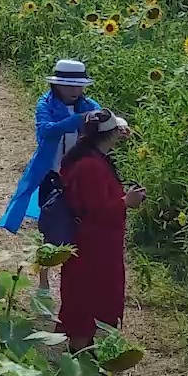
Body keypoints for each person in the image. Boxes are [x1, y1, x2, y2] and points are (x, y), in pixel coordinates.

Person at [0, 59, 108, 288]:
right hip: (52, 174)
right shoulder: (45, 105)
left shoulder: (90, 105)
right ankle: (44, 280)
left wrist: (117, 129)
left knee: (82, 227)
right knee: (48, 227)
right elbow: (46, 131)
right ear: (57, 86)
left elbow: (105, 129)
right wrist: (78, 121)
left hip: (80, 177)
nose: (75, 90)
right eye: (69, 85)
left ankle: (77, 277)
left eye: (78, 86)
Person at [57, 114, 142, 353]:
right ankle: (79, 354)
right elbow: (96, 210)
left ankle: (85, 350)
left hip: (94, 243)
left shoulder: (88, 157)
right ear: (110, 134)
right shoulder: (91, 166)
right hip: (94, 246)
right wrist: (127, 202)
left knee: (86, 296)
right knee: (88, 298)